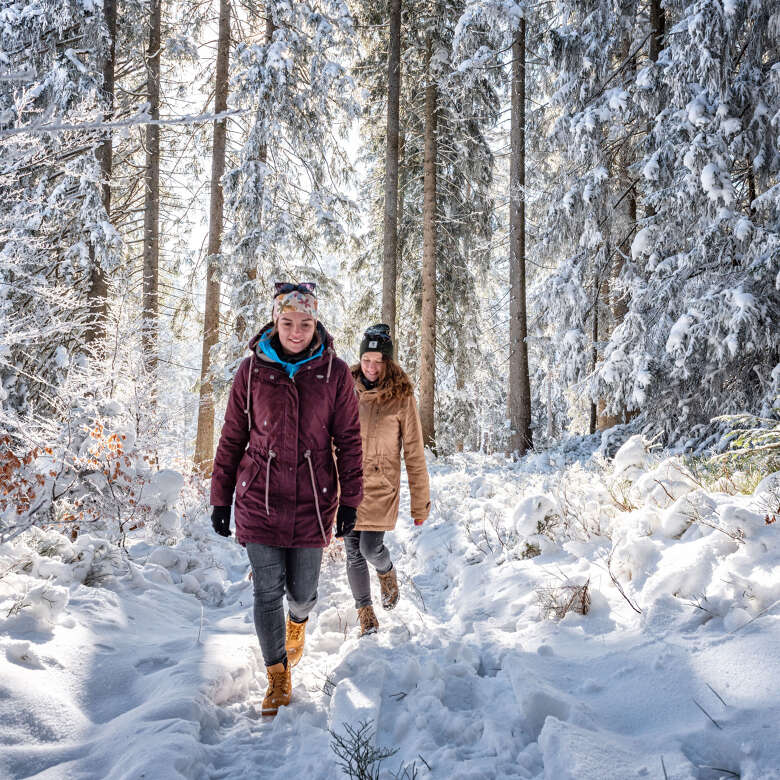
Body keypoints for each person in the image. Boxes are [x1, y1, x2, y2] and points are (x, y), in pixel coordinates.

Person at [209, 282, 363, 717]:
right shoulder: (251, 371)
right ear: (275, 322)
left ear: (317, 324)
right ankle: (277, 673)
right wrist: (221, 498)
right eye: (289, 322)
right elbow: (233, 437)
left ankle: (298, 624)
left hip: (314, 500)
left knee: (303, 594)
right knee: (266, 592)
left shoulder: (334, 373)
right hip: (259, 496)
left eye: (306, 322)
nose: (297, 331)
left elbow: (349, 441)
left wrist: (351, 500)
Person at [345, 323, 430, 636]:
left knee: (370, 548)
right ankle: (365, 613)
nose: (370, 367)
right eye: (366, 360)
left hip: (381, 486)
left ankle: (386, 570)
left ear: (387, 363)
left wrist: (420, 504)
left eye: (377, 362)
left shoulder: (401, 397)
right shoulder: (346, 389)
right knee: (352, 550)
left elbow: (414, 452)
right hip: (348, 483)